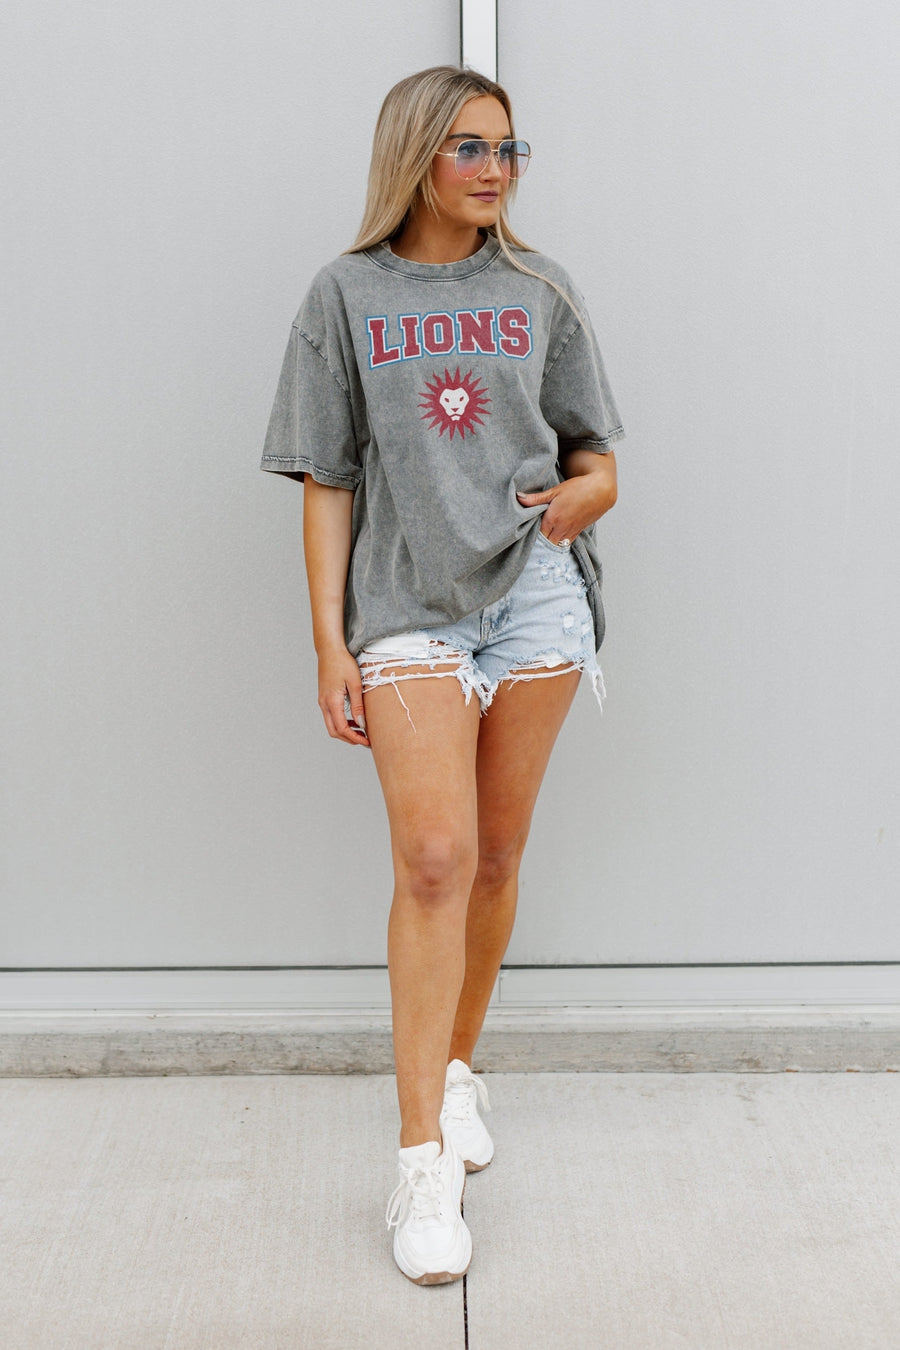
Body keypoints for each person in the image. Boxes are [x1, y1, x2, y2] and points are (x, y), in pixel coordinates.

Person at [260, 64, 625, 1285]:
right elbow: (327, 477)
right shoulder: (346, 294)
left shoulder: (540, 288)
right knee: (433, 858)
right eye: (471, 147)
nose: (495, 170)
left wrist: (582, 500)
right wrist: (329, 641)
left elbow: (597, 459)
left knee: (499, 855)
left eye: (508, 149)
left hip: (536, 596)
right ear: (415, 153)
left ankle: (458, 1070)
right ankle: (421, 1159)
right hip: (408, 601)